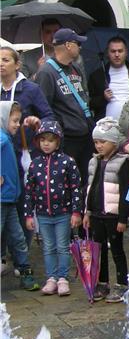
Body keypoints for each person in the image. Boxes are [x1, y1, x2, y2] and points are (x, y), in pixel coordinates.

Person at [0, 46, 54, 251]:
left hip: (25, 153)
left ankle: (21, 249)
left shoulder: (30, 89)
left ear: (17, 64)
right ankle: (3, 252)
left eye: (6, 59)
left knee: (24, 200)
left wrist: (36, 121)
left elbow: (49, 116)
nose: (1, 64)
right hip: (2, 155)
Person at [23, 121, 83, 296]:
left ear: (58, 141)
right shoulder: (35, 164)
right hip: (43, 214)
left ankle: (63, 278)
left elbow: (76, 188)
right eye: (43, 140)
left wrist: (76, 211)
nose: (46, 144)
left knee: (63, 246)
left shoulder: (67, 162)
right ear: (38, 142)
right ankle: (52, 277)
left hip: (63, 213)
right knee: (48, 246)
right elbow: (29, 191)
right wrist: (28, 215)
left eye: (50, 140)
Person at [82, 117, 129, 303]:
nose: (99, 146)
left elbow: (127, 192)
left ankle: (122, 283)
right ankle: (102, 282)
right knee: (98, 249)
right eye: (96, 142)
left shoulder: (123, 162)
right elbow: (89, 187)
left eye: (103, 142)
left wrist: (123, 218)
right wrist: (87, 212)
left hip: (113, 214)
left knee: (117, 249)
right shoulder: (93, 162)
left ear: (114, 142)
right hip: (96, 213)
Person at [35, 28, 94, 184]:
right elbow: (43, 107)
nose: (80, 47)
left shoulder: (76, 68)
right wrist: (59, 129)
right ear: (68, 45)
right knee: (68, 182)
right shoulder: (46, 72)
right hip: (67, 139)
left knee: (84, 180)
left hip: (84, 134)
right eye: (77, 43)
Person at [0, 101, 38, 290]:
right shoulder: (2, 139)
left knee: (18, 238)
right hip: (2, 200)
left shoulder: (6, 138)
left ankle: (25, 271)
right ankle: (24, 272)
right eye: (14, 120)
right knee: (16, 238)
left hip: (9, 200)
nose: (17, 124)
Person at [88, 37, 129, 121]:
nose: (117, 54)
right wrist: (103, 98)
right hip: (106, 126)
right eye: (113, 51)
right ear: (107, 53)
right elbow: (90, 103)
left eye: (120, 51)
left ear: (126, 52)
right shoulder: (97, 76)